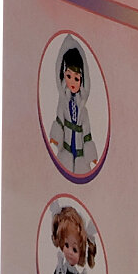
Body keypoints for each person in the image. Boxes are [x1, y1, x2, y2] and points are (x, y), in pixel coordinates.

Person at [51, 42, 98, 176]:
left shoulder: (83, 110)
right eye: (68, 76)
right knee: (64, 166)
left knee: (80, 168)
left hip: (79, 146)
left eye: (76, 78)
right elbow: (59, 120)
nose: (72, 82)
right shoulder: (63, 104)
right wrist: (55, 137)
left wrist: (91, 154)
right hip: (66, 144)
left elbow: (87, 132)